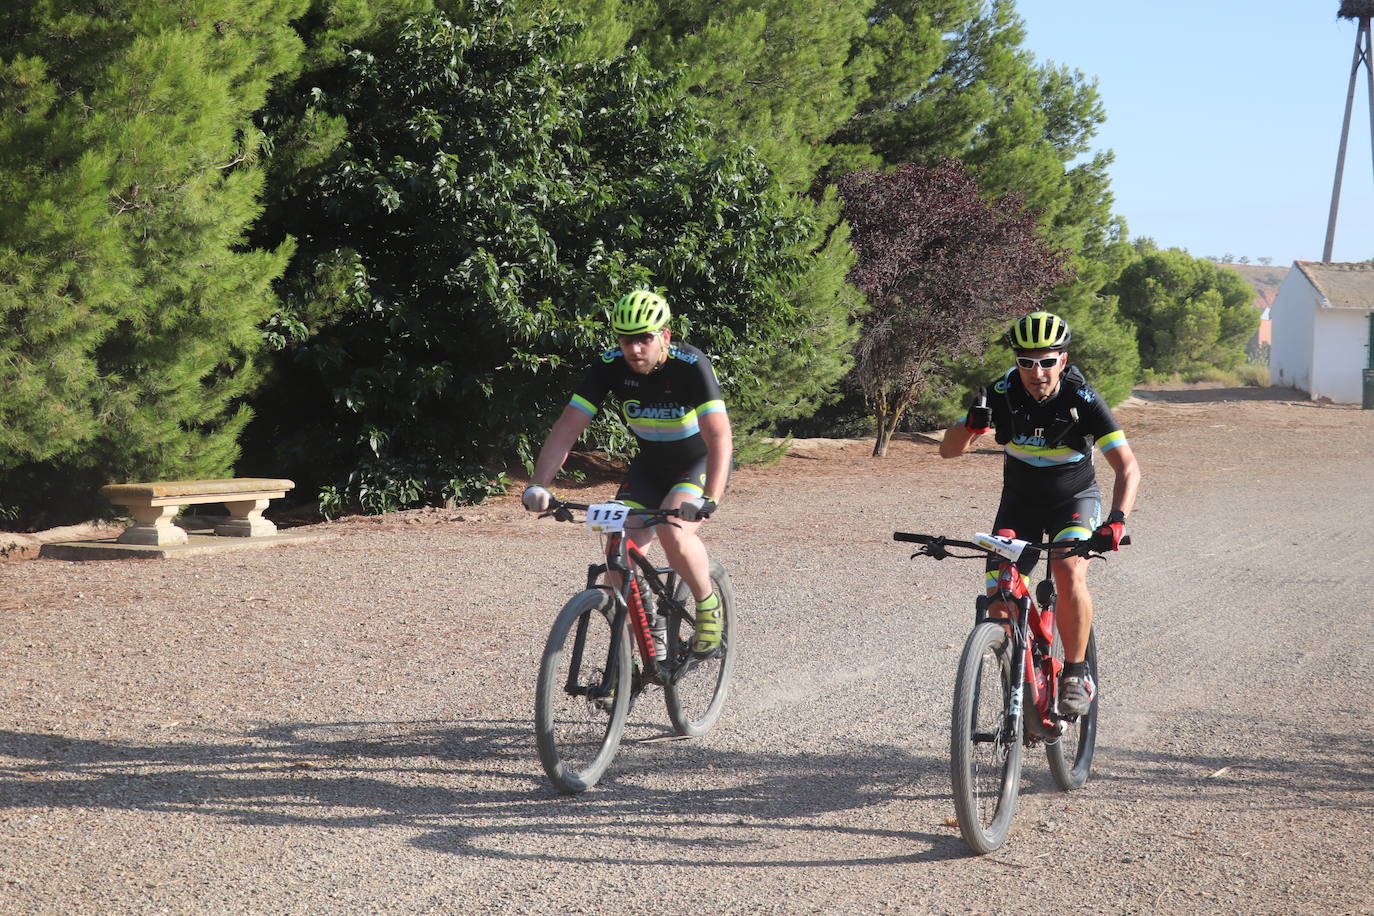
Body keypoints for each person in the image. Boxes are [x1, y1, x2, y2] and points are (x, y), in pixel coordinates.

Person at [939, 311, 1140, 715]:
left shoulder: (1081, 398)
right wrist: (971, 428)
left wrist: (1116, 520)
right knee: (999, 598)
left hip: (1074, 500)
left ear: (1062, 361)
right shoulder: (1001, 392)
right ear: (1017, 363)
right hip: (1020, 503)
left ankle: (1077, 674)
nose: (1037, 372)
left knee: (1067, 571)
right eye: (1026, 362)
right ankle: (1024, 683)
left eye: (1047, 361)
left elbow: (1127, 467)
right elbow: (948, 450)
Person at [521, 290, 733, 657]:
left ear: (664, 336)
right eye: (626, 339)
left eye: (644, 338)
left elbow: (719, 436)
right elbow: (567, 428)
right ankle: (647, 644)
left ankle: (706, 603)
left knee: (674, 533)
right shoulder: (610, 365)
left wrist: (708, 498)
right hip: (649, 465)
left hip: (694, 464)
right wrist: (540, 484)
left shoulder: (690, 365)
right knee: (618, 550)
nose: (635, 349)